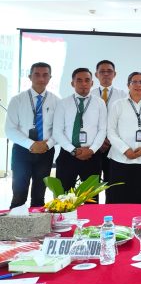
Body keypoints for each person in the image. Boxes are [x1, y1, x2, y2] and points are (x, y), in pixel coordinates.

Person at [5, 62, 59, 208]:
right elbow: (10, 129)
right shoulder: (17, 100)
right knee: (19, 191)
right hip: (22, 151)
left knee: (39, 193)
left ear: (50, 77)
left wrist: (47, 144)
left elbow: (59, 129)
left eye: (45, 75)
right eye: (37, 74)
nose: (41, 78)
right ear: (30, 76)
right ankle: (15, 226)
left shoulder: (56, 101)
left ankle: (37, 229)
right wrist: (31, 144)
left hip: (46, 151)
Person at [106, 72, 141, 204]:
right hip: (120, 158)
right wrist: (125, 150)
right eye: (134, 82)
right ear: (128, 85)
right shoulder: (118, 104)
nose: (138, 85)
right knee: (117, 197)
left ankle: (139, 225)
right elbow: (111, 131)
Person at [53, 68, 107, 196]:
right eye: (79, 80)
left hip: (92, 156)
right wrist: (73, 150)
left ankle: (91, 217)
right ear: (72, 83)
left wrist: (92, 150)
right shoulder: (63, 103)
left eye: (87, 80)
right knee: (63, 196)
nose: (83, 83)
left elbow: (102, 129)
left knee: (91, 198)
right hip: (68, 155)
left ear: (92, 83)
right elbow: (57, 131)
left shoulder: (99, 103)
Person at [90, 60, 127, 183]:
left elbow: (124, 121)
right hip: (93, 146)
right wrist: (98, 141)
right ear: (96, 75)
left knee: (112, 183)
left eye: (109, 71)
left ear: (114, 74)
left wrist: (111, 140)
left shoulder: (123, 96)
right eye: (102, 72)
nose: (106, 74)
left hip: (115, 146)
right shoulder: (89, 95)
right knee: (92, 185)